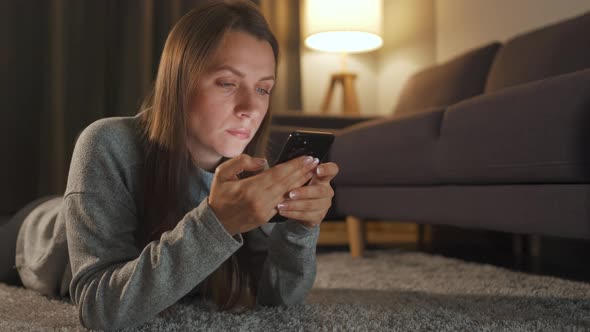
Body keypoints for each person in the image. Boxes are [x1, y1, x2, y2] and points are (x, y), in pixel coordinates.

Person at [0, 1, 339, 330]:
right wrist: (218, 222)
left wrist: (299, 228)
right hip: (34, 235)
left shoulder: (253, 176)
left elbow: (281, 302)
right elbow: (100, 309)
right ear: (179, 81)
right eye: (227, 83)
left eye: (264, 89)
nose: (250, 106)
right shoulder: (106, 142)